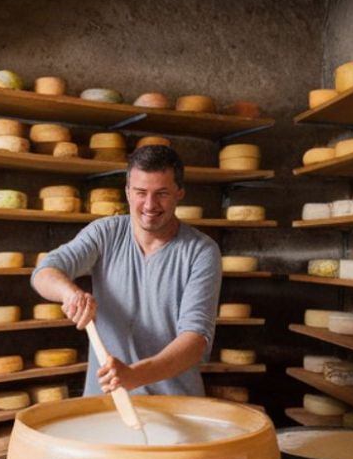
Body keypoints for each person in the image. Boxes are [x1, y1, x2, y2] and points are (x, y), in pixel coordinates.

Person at [30, 144, 220, 397]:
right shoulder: (105, 233)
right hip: (107, 400)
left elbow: (196, 339)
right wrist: (70, 293)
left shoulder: (201, 251)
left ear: (179, 193)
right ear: (128, 192)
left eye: (161, 193)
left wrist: (135, 375)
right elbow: (45, 271)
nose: (150, 204)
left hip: (176, 403)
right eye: (141, 192)